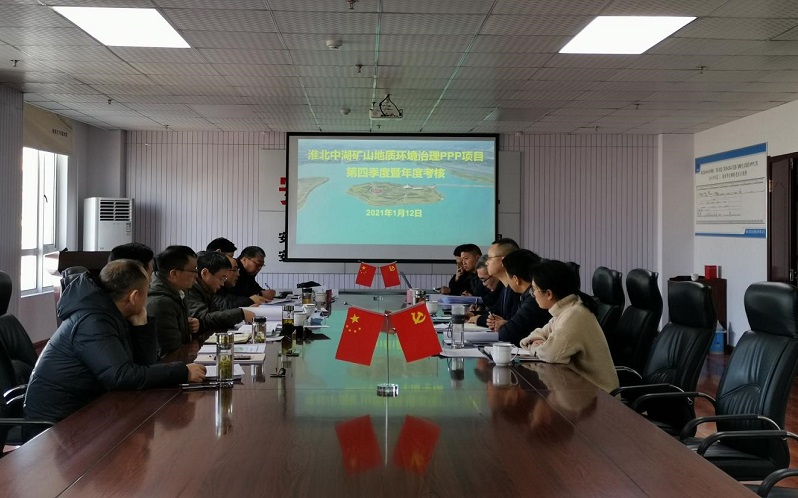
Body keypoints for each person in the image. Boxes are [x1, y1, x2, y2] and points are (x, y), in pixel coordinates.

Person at [24, 259, 206, 423]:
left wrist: (141, 326)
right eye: (147, 291)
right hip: (57, 423)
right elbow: (120, 376)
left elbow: (144, 365)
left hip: (88, 409)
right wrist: (182, 372)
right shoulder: (92, 321)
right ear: (134, 297)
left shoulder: (111, 314)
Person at [519, 260, 619, 393]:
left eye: (534, 289)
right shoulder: (564, 310)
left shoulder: (575, 315)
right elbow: (534, 335)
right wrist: (540, 344)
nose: (533, 294)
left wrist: (536, 346)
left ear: (549, 294)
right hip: (579, 391)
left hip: (600, 397)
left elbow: (550, 354)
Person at [487, 248, 551, 346]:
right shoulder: (527, 295)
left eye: (507, 276)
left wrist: (505, 326)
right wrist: (507, 324)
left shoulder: (533, 298)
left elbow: (506, 334)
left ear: (516, 279)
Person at [146, 246, 201, 356]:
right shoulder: (160, 303)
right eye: (193, 270)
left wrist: (189, 325)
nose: (196, 275)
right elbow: (170, 353)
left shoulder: (179, 291)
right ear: (174, 274)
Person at [186, 251, 255, 331]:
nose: (222, 284)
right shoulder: (191, 289)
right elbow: (202, 319)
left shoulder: (207, 289)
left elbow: (216, 314)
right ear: (205, 273)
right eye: (221, 278)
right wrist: (241, 314)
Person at [480, 238, 523, 329]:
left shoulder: (518, 289)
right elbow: (495, 311)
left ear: (503, 261)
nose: (486, 262)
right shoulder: (505, 287)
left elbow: (515, 325)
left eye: (490, 258)